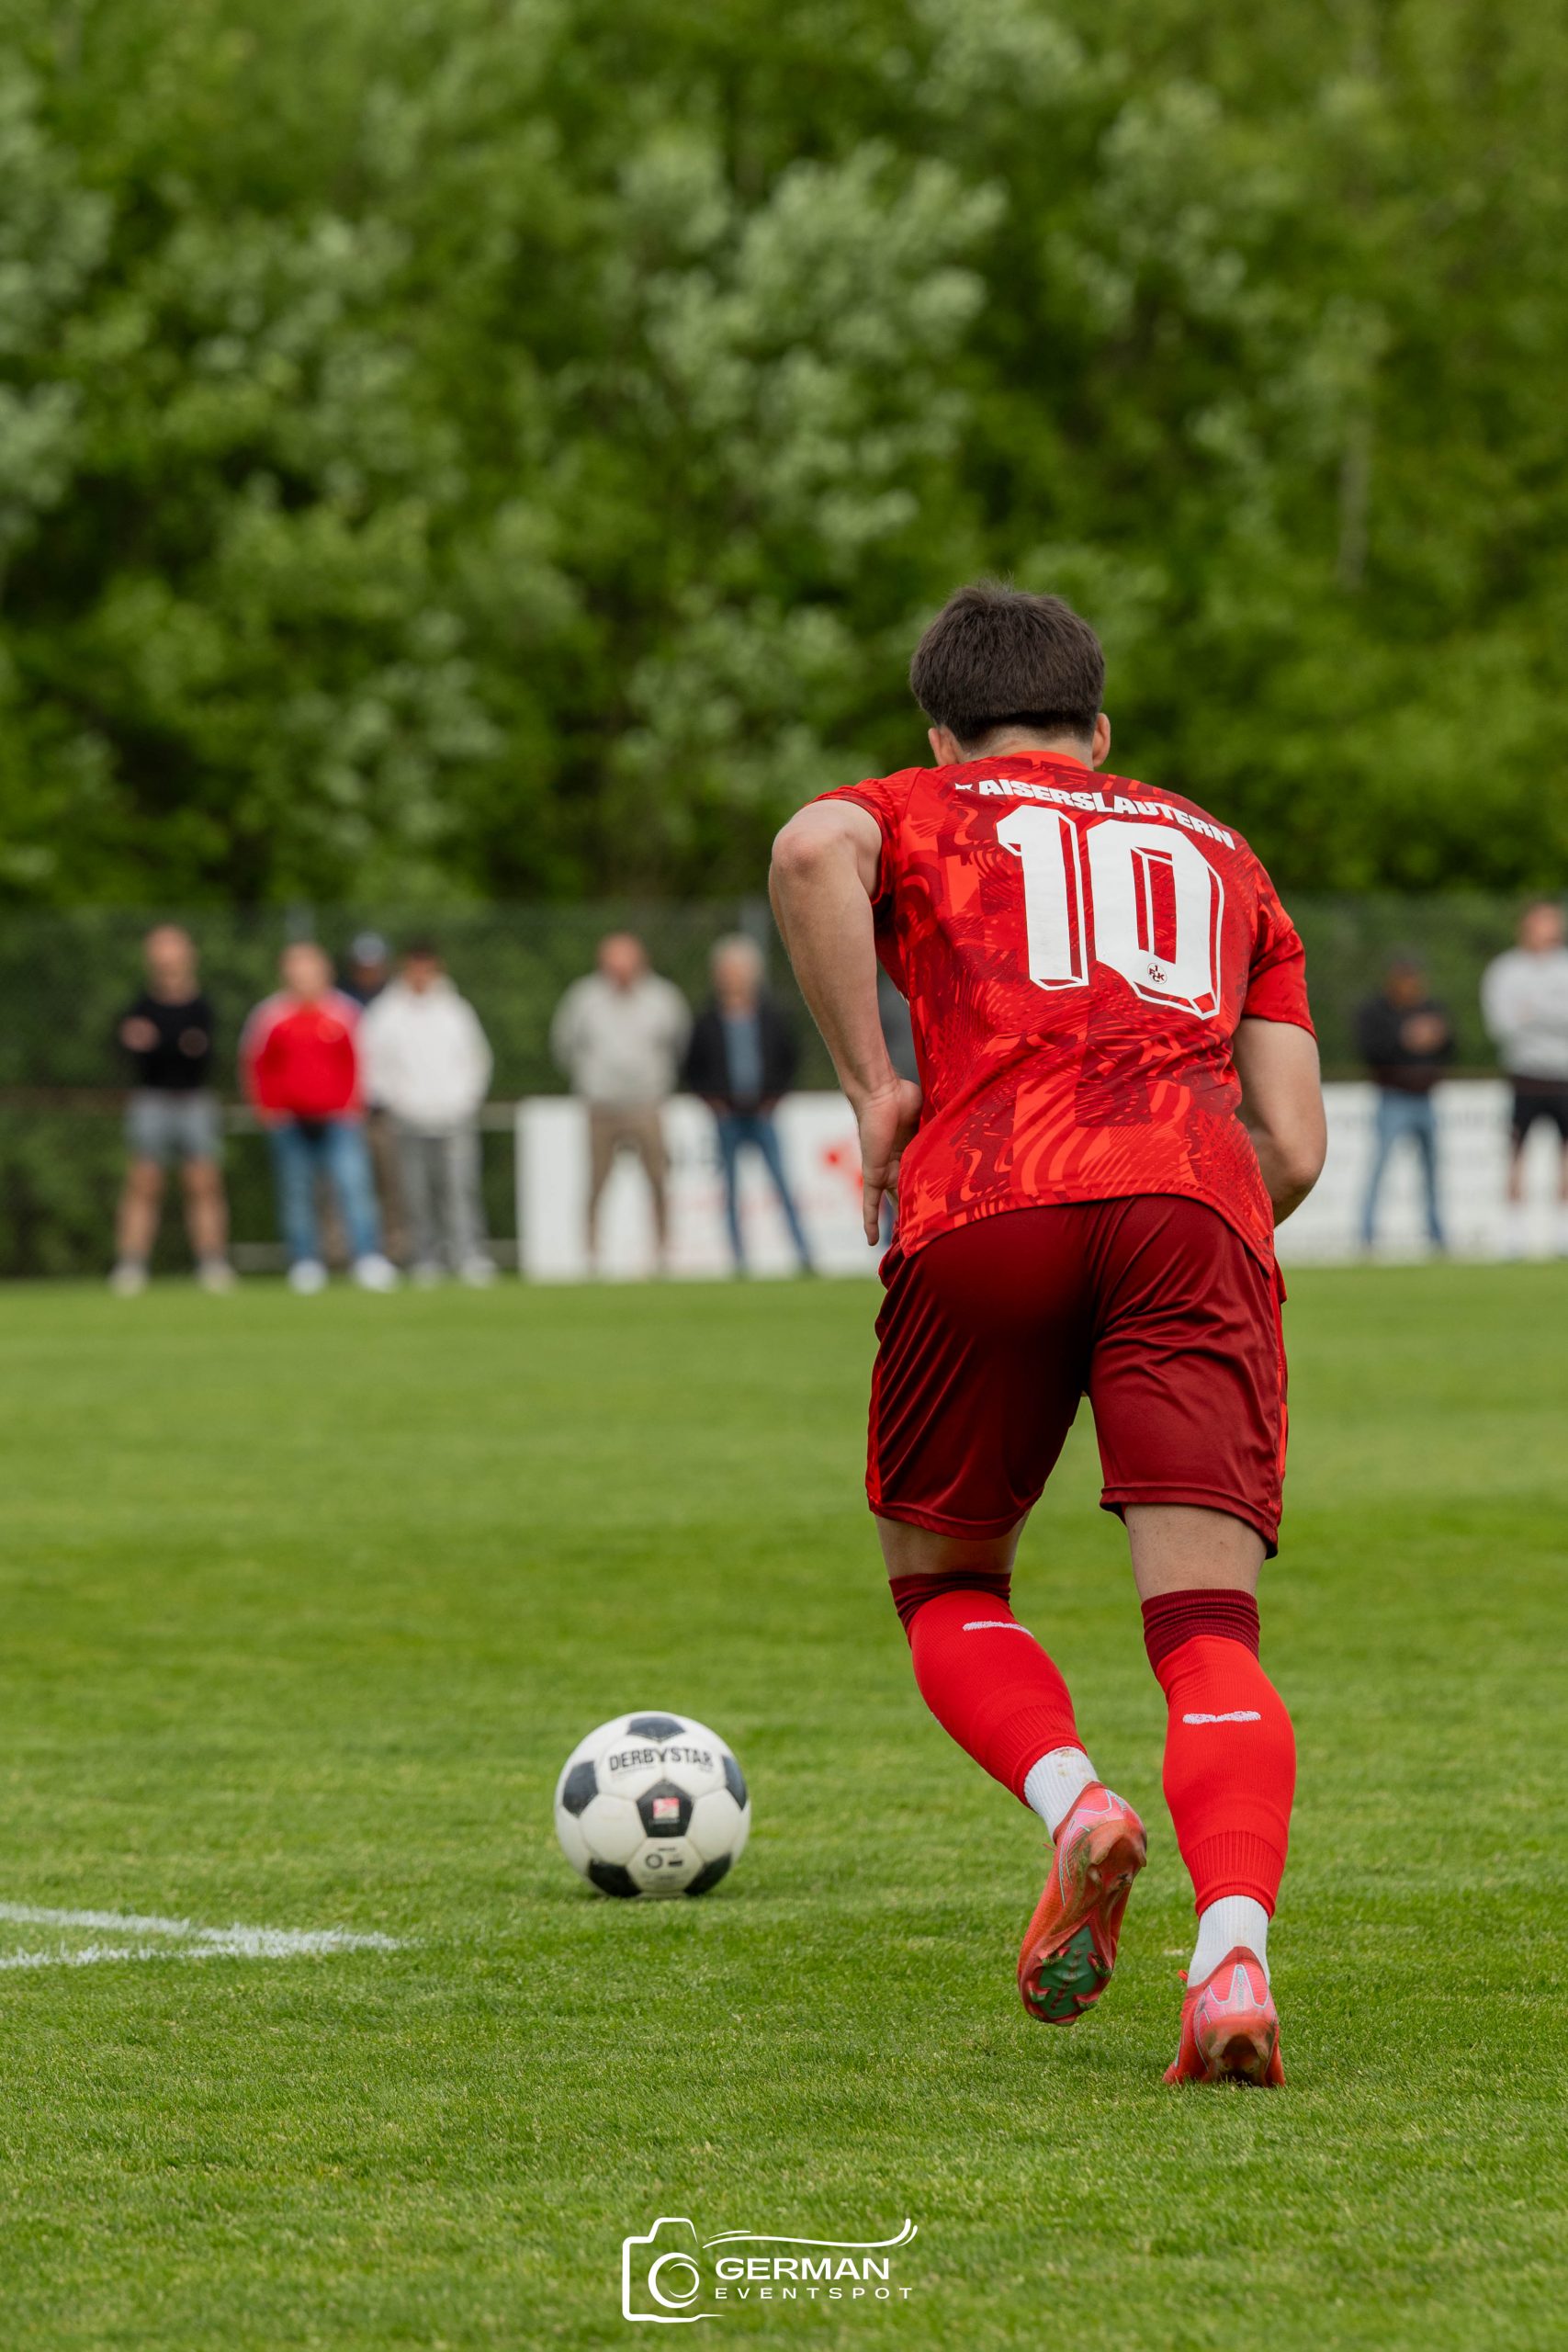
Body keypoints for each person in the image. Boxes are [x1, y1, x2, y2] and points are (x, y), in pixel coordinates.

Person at [770, 582, 1325, 2086]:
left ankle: (1076, 1802)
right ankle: (1228, 1958)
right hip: (1191, 1210)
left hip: (989, 1197)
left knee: (946, 1581)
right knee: (1205, 1634)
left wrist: (873, 1088)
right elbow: (1293, 1144)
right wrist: (1189, 1210)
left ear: (941, 737)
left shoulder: (922, 807)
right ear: (1101, 729)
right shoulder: (1218, 849)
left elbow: (811, 848)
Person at [240, 943, 399, 1294]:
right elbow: (257, 1065)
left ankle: (367, 1257)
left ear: (324, 973)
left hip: (340, 1120)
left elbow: (361, 1061)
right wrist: (267, 1109)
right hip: (289, 1121)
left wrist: (353, 1106)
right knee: (296, 1193)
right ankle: (305, 1261)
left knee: (354, 1189)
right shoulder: (270, 1015)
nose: (303, 978)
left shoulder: (345, 1012)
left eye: (310, 970)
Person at [549, 933, 691, 1272]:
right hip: (601, 1107)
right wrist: (589, 1079)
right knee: (596, 1182)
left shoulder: (663, 998)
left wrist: (658, 1082)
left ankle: (663, 1252)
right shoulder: (584, 998)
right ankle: (591, 1254)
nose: (620, 972)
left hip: (647, 1105)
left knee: (658, 1180)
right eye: (614, 965)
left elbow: (679, 1044)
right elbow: (564, 1045)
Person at [360, 941, 496, 1285]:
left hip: (454, 1116)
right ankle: (425, 1257)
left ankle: (468, 1255)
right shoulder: (386, 1012)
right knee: (413, 1193)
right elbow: (372, 1064)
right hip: (406, 1118)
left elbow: (476, 1060)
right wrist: (395, 1101)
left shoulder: (456, 1010)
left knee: (460, 1190)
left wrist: (464, 1100)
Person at [109, 925, 233, 1295]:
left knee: (203, 1182)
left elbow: (201, 1053)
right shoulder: (139, 1005)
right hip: (151, 1100)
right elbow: (129, 1045)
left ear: (188, 954)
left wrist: (159, 1043)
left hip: (195, 1101)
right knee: (143, 1182)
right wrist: (170, 1045)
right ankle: (131, 1264)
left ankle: (213, 1262)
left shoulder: (203, 1007)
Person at [682, 935, 812, 1273]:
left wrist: (775, 1096)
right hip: (727, 1117)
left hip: (763, 1114)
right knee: (730, 1191)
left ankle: (804, 1255)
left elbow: (789, 1058)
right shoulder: (707, 1020)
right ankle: (738, 1260)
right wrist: (712, 1101)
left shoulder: (771, 1017)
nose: (733, 978)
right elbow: (692, 1067)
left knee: (782, 1185)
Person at [1481, 899, 1568, 1257]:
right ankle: (1514, 1233)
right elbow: (1503, 1024)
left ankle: (1562, 1232)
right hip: (1524, 1076)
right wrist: (1552, 1016)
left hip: (1563, 1077)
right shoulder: (1505, 970)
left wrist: (1534, 1013)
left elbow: (1532, 1017)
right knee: (1517, 1153)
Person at [1355, 954, 1455, 1252]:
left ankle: (1436, 1233)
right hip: (1393, 1098)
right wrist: (1405, 1038)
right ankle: (1366, 1232)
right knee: (1380, 1166)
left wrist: (1437, 1038)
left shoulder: (1431, 1009)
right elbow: (1370, 1050)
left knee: (1431, 1169)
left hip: (1425, 1097)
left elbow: (1452, 1046)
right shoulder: (1377, 1011)